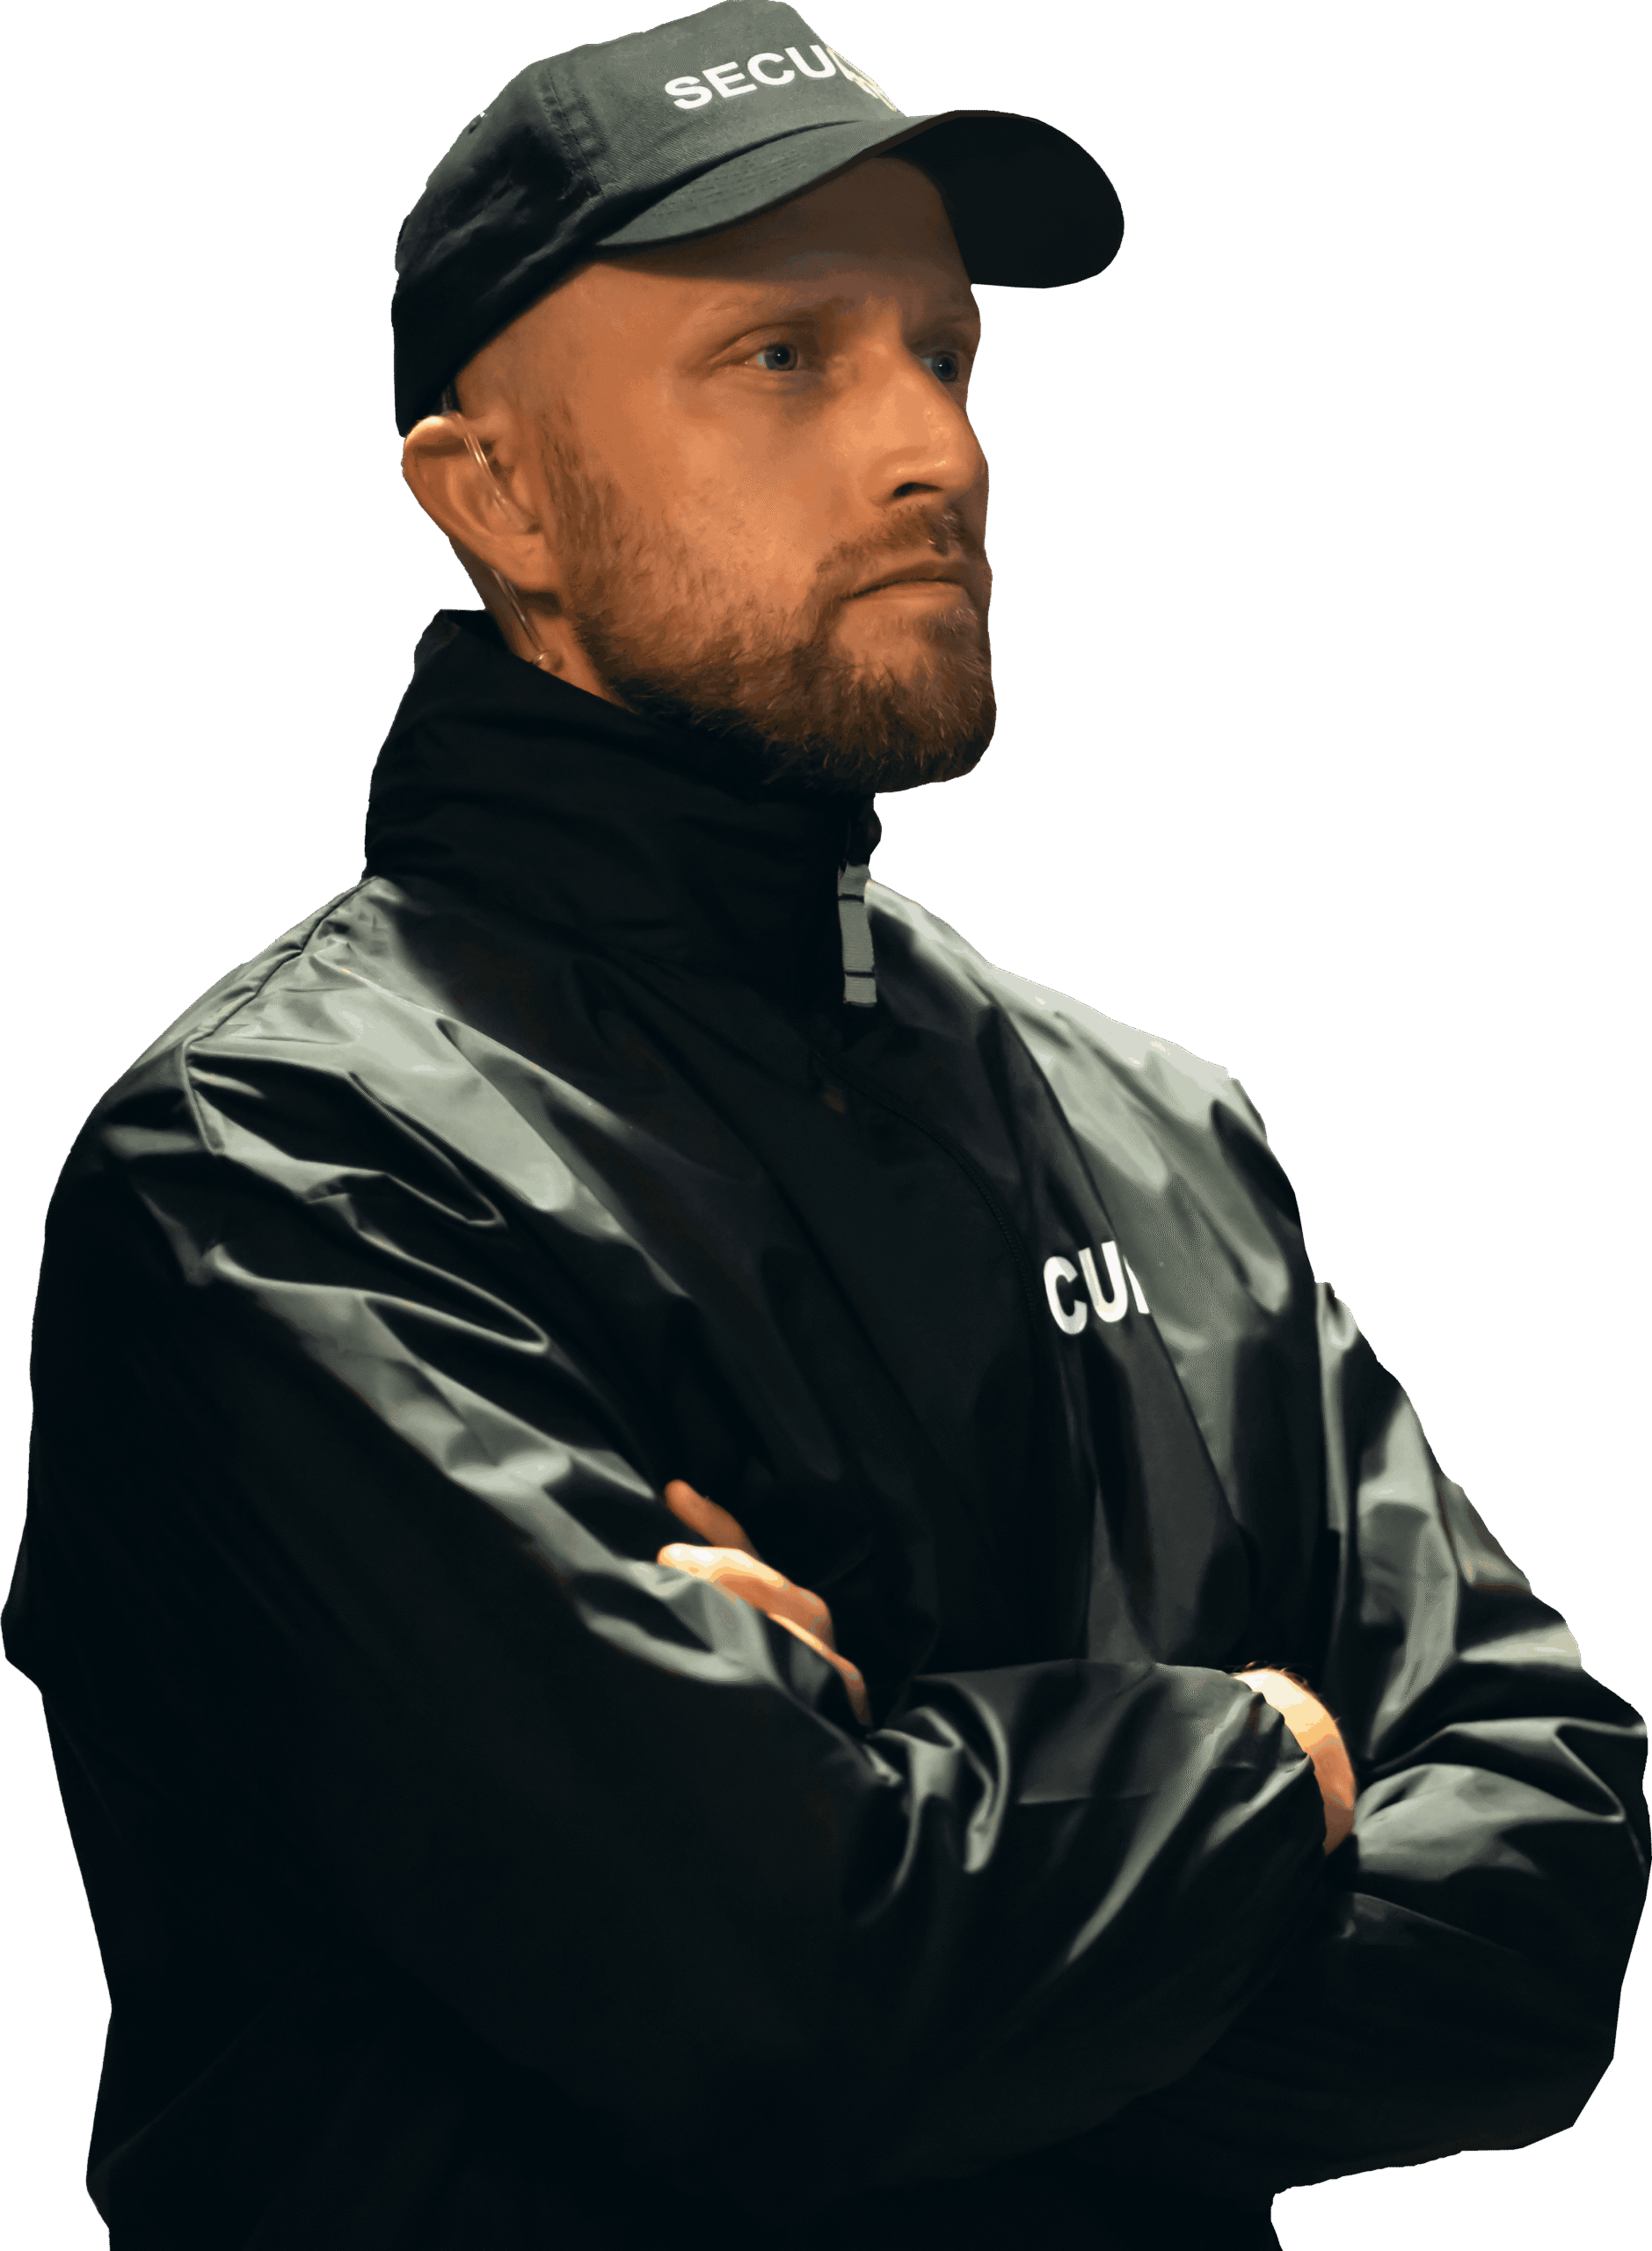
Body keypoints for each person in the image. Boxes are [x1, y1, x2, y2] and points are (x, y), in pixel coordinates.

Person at [4, 4, 1644, 2247]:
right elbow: (794, 2000)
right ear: (494, 492)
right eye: (783, 358)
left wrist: (903, 1838)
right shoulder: (275, 1177)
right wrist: (1273, 1746)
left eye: (946, 355)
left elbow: (1553, 1904)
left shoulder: (1155, 1125)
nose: (935, 450)